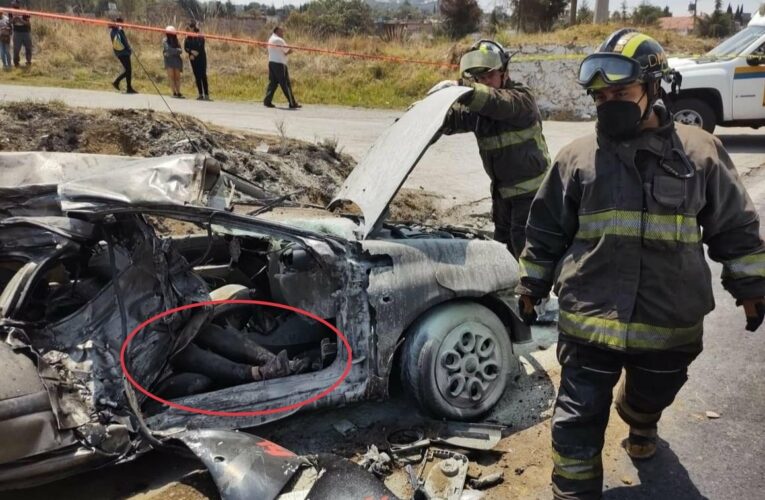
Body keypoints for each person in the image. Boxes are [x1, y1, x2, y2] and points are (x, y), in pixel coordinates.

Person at [515, 29, 765, 500]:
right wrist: (530, 284)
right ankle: (572, 492)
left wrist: (751, 288)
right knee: (576, 420)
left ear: (654, 89)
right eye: (601, 95)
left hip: (669, 322)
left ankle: (640, 417)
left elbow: (734, 227)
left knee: (652, 397)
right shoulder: (576, 159)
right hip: (589, 320)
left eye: (622, 93)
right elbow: (546, 230)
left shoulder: (700, 153)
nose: (609, 103)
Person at [427, 40, 551, 259]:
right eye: (479, 78)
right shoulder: (480, 111)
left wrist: (464, 90)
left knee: (528, 259)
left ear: (504, 73)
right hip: (502, 197)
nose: (485, 83)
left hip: (531, 198)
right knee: (502, 257)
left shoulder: (521, 99)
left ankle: (531, 294)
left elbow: (496, 103)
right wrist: (428, 114)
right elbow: (453, 119)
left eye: (489, 76)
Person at [263, 26, 300, 109]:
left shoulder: (271, 39)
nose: (282, 33)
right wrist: (292, 49)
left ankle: (267, 101)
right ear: (276, 31)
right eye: (281, 31)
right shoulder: (279, 40)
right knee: (286, 84)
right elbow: (288, 50)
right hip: (279, 64)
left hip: (272, 63)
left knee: (273, 83)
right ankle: (292, 103)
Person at [183, 20, 210, 101]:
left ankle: (206, 94)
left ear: (194, 28)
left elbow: (201, 46)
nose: (189, 29)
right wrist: (191, 52)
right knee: (197, 76)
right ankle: (200, 94)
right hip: (193, 59)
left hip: (201, 58)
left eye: (191, 27)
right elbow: (186, 47)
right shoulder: (188, 37)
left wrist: (196, 53)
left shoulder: (200, 36)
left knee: (203, 75)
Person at [109, 17, 137, 94]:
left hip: (119, 53)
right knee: (128, 70)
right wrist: (129, 48)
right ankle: (117, 82)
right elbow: (124, 41)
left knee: (128, 70)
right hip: (124, 53)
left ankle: (128, 87)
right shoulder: (119, 30)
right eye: (123, 23)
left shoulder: (112, 31)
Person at [162, 26, 184, 98]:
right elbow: (168, 49)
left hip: (177, 61)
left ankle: (179, 92)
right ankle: (174, 92)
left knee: (177, 77)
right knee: (171, 77)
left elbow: (180, 51)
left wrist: (174, 51)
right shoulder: (165, 40)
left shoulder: (176, 40)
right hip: (169, 61)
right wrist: (176, 51)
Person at [9, 0, 31, 68]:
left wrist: (20, 20)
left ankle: (28, 62)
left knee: (28, 48)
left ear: (18, 4)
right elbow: (10, 22)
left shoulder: (24, 12)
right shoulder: (10, 12)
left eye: (15, 4)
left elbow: (28, 23)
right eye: (13, 4)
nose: (13, 5)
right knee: (16, 49)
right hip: (17, 32)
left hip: (25, 32)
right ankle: (16, 63)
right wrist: (14, 19)